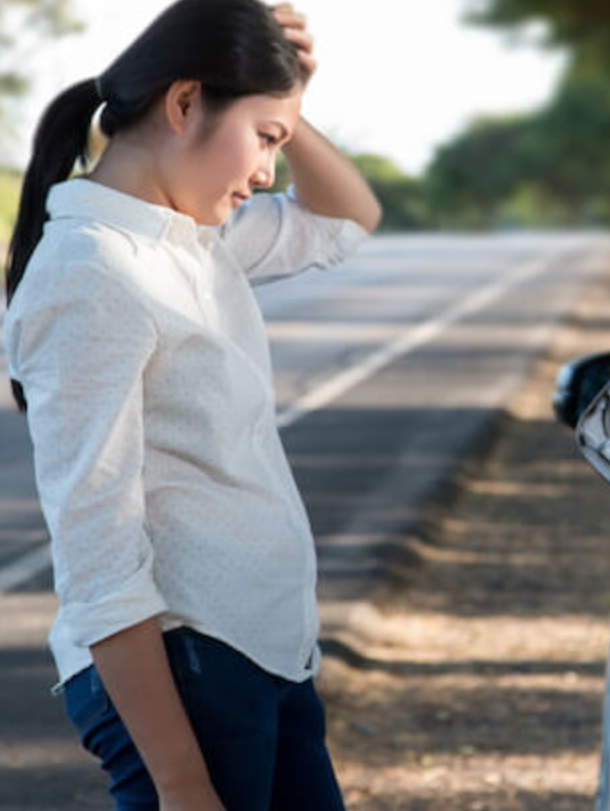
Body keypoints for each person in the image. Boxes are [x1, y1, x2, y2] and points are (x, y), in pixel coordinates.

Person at [2, 0, 381, 808]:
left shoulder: (189, 238)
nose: (269, 171)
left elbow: (349, 220)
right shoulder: (92, 274)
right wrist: (180, 781)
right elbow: (97, 555)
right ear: (183, 104)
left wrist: (288, 102)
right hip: (188, 677)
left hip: (260, 654)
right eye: (266, 141)